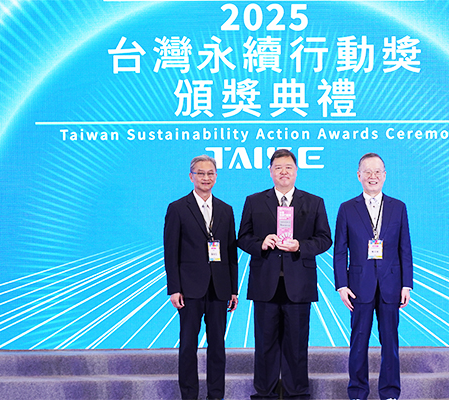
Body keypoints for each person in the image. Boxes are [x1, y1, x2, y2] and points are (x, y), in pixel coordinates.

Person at [238, 149, 332, 399]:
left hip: (299, 283)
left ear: (296, 171)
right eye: (278, 167)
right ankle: (264, 394)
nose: (283, 172)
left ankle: (297, 393)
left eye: (288, 167)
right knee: (265, 344)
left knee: (297, 344)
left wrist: (300, 245)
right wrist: (261, 243)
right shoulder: (254, 201)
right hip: (265, 283)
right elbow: (242, 238)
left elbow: (324, 239)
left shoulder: (314, 202)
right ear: (270, 171)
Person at [333, 153, 413, 400]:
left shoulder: (398, 207)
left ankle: (390, 393)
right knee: (358, 342)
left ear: (385, 175)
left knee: (390, 342)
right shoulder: (347, 208)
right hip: (358, 285)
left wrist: (407, 284)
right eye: (367, 172)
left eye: (377, 171)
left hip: (391, 284)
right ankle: (358, 392)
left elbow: (405, 248)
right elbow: (340, 250)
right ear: (359, 175)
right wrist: (341, 285)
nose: (372, 176)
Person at [163, 155, 239, 400]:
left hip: (219, 288)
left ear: (216, 177)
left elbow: (231, 253)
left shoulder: (226, 209)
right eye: (201, 173)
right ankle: (189, 396)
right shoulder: (177, 208)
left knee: (218, 346)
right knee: (188, 345)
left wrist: (233, 289)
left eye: (210, 173)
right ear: (191, 176)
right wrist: (174, 288)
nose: (206, 178)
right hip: (189, 289)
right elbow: (171, 251)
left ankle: (216, 395)